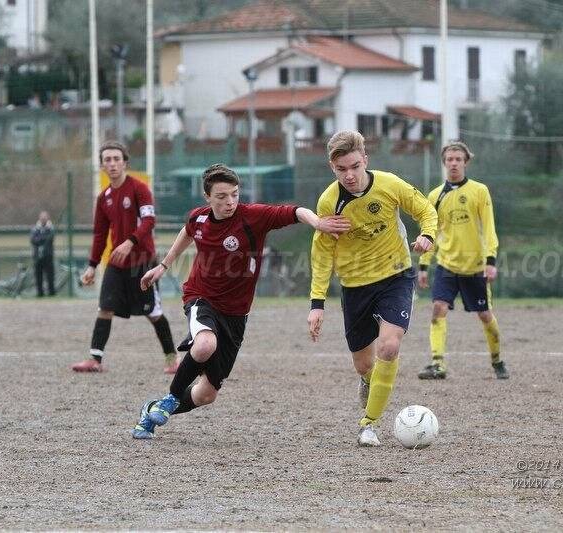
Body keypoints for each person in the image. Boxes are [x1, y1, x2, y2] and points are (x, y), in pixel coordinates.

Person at [131, 163, 350, 439]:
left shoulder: (252, 217)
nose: (230, 201)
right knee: (205, 344)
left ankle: (151, 410)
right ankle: (171, 398)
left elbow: (295, 212)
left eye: (234, 194)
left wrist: (317, 222)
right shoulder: (199, 218)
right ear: (207, 196)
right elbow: (189, 231)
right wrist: (163, 266)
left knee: (206, 394)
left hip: (236, 313)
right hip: (201, 296)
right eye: (221, 196)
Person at [307, 130, 438, 447]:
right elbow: (323, 254)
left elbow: (426, 210)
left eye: (354, 166)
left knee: (389, 347)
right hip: (354, 287)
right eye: (342, 169)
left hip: (396, 276)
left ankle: (369, 424)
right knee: (364, 364)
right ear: (332, 167)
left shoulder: (390, 185)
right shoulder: (329, 201)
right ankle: (368, 380)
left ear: (365, 159)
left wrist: (427, 236)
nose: (349, 175)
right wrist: (316, 304)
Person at [71, 140, 179, 374]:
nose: (112, 164)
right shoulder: (103, 198)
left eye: (116, 159)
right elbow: (100, 234)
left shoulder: (139, 189)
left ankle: (172, 359)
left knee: (153, 312)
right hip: (117, 264)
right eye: (107, 160)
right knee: (105, 308)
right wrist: (92, 266)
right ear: (102, 166)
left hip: (143, 263)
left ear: (125, 163)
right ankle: (95, 359)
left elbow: (149, 220)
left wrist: (130, 242)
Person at [417, 141, 509, 380]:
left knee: (485, 315)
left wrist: (491, 260)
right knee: (438, 308)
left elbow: (489, 228)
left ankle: (497, 359)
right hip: (447, 266)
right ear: (444, 162)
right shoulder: (435, 195)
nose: (454, 163)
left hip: (475, 267)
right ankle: (438, 364)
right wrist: (424, 265)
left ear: (466, 162)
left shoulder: (479, 191)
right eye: (450, 159)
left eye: (458, 159)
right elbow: (431, 232)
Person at [30, 210, 56, 297]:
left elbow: (50, 239)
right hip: (37, 256)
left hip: (48, 255)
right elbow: (33, 240)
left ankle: (51, 293)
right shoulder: (35, 229)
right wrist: (43, 238)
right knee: (38, 275)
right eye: (42, 217)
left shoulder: (51, 228)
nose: (43, 219)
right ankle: (40, 293)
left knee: (50, 275)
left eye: (45, 217)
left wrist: (41, 239)